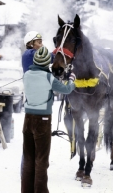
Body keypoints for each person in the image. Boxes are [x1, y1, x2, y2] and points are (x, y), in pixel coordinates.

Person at [21, 46, 76, 193]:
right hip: (42, 121)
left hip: (27, 120)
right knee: (41, 160)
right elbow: (66, 89)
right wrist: (71, 79)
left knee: (28, 159)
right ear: (47, 63)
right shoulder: (48, 77)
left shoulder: (26, 74)